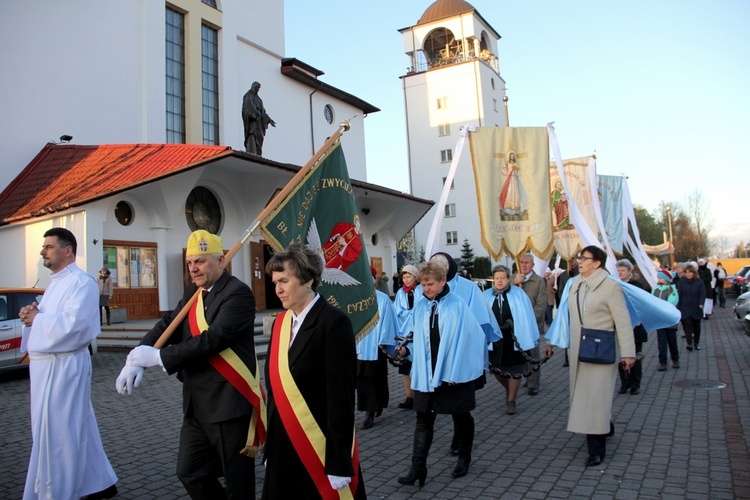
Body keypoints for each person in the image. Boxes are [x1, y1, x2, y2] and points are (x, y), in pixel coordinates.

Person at [116, 230, 261, 500]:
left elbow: (212, 340)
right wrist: (138, 354)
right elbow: (169, 323)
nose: (194, 268)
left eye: (201, 261)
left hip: (228, 404)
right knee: (190, 471)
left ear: (220, 261)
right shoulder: (194, 291)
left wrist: (159, 358)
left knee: (238, 481)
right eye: (190, 262)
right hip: (196, 406)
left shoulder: (238, 294)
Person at [19, 227, 117, 500]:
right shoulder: (55, 283)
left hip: (62, 368)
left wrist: (37, 320)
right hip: (46, 369)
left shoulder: (81, 282)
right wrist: (33, 314)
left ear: (68, 250)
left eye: (48, 246)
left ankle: (58, 491)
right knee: (66, 427)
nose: (42, 251)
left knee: (60, 433)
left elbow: (78, 327)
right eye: (44, 247)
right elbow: (49, 318)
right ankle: (97, 483)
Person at [262, 243, 366, 499]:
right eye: (275, 281)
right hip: (283, 445)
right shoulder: (280, 324)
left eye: (284, 281)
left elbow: (340, 397)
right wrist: (270, 448)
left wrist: (339, 461)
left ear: (308, 280)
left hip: (317, 446)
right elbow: (275, 394)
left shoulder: (333, 323)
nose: (277, 289)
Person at [544, 246, 635, 467]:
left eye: (585, 258)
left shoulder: (611, 286)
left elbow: (622, 322)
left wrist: (629, 353)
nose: (580, 261)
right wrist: (553, 341)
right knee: (585, 396)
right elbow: (564, 315)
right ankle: (605, 425)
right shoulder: (575, 283)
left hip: (601, 350)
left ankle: (596, 450)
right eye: (579, 257)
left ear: (597, 263)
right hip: (578, 351)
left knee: (596, 398)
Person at [397, 261, 487, 486]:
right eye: (423, 284)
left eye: (430, 284)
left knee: (461, 415)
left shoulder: (457, 305)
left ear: (443, 281)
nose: (425, 289)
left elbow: (471, 337)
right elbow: (418, 335)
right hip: (427, 374)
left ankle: (464, 457)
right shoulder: (420, 306)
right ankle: (418, 467)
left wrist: (456, 368)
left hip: (453, 373)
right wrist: (408, 349)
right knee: (423, 418)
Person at [483, 265, 539, 415]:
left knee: (516, 369)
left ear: (508, 279)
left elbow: (525, 316)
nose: (499, 281)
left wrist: (516, 327)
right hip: (495, 340)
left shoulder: (518, 294)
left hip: (514, 339)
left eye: (502, 278)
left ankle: (511, 401)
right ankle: (509, 389)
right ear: (493, 279)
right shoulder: (486, 296)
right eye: (497, 278)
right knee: (496, 369)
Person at [358, 266, 398, 429]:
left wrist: (383, 341)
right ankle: (369, 408)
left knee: (376, 378)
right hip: (359, 345)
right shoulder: (355, 299)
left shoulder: (382, 299)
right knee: (362, 379)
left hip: (375, 346)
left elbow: (388, 321)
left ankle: (374, 408)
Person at [512, 253, 547, 395]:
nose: (524, 265)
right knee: (522, 354)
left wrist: (530, 321)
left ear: (532, 265)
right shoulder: (514, 279)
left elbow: (541, 304)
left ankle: (534, 384)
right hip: (517, 325)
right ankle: (527, 378)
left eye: (527, 263)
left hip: (532, 325)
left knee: (533, 355)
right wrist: (513, 283)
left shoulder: (538, 281)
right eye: (522, 263)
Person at [615, 259, 649, 396]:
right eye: (618, 270)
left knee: (634, 357)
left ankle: (635, 384)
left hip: (635, 326)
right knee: (620, 357)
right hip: (620, 326)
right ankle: (625, 383)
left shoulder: (637, 286)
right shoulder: (615, 285)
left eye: (623, 270)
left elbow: (641, 304)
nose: (620, 273)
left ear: (630, 272)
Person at [393, 264, 420, 410]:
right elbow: (397, 311)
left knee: (419, 365)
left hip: (418, 333)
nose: (406, 279)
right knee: (405, 368)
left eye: (408, 276)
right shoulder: (400, 293)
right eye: (404, 277)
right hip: (404, 333)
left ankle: (422, 395)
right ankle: (409, 397)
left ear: (415, 277)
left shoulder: (421, 290)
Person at [652, 269, 680, 370]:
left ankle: (675, 359)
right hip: (659, 321)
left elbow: (672, 303)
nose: (659, 279)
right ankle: (662, 361)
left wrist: (660, 309)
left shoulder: (672, 290)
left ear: (667, 279)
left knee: (672, 341)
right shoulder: (655, 289)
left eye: (661, 278)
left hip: (670, 320)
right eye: (659, 277)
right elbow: (652, 300)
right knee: (661, 343)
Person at [556, 256, 580, 367]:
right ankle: (567, 357)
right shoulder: (564, 275)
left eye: (573, 259)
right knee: (568, 331)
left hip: (579, 307)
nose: (571, 262)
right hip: (568, 307)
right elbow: (560, 291)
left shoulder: (581, 272)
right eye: (569, 260)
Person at [676, 263, 706, 351]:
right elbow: (679, 294)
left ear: (694, 273)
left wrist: (701, 303)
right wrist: (678, 306)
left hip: (696, 306)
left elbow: (702, 293)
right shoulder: (682, 282)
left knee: (697, 327)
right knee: (687, 325)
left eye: (690, 272)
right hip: (685, 307)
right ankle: (689, 343)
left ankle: (696, 343)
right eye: (686, 272)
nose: (688, 274)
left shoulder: (699, 282)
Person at [242, 81, 275, 156]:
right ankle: (251, 155)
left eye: (259, 88)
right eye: (257, 88)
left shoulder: (259, 99)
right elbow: (245, 110)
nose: (257, 90)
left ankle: (257, 155)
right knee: (252, 141)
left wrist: (269, 120)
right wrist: (251, 115)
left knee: (259, 143)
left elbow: (263, 112)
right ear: (253, 87)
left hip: (258, 125)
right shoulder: (248, 96)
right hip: (252, 125)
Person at [499, 150, 529, 218]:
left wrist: (516, 169)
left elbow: (519, 173)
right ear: (509, 157)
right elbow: (506, 172)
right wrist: (505, 167)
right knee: (509, 192)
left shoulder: (516, 163)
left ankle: (515, 206)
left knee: (515, 193)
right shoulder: (508, 164)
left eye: (513, 156)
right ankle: (509, 206)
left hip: (515, 180)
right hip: (510, 180)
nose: (512, 157)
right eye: (511, 156)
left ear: (514, 157)